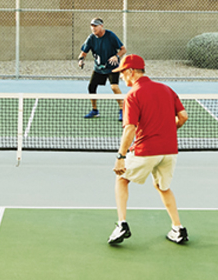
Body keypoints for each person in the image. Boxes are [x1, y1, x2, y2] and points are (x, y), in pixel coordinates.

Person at [107, 54, 189, 246]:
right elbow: (183, 116)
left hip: (147, 150)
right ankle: (178, 228)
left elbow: (130, 129)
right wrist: (169, 129)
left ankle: (122, 224)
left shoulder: (133, 95)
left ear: (131, 71)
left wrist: (121, 156)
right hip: (169, 151)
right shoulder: (167, 89)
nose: (121, 78)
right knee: (162, 187)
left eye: (122, 73)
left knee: (121, 179)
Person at [76, 18, 125, 120]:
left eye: (95, 26)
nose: (93, 28)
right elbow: (83, 53)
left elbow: (123, 49)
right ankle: (94, 110)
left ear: (101, 26)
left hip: (112, 67)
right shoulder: (91, 38)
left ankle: (122, 110)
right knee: (91, 88)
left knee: (114, 87)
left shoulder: (110, 36)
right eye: (92, 26)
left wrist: (116, 56)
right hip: (99, 68)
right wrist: (81, 60)